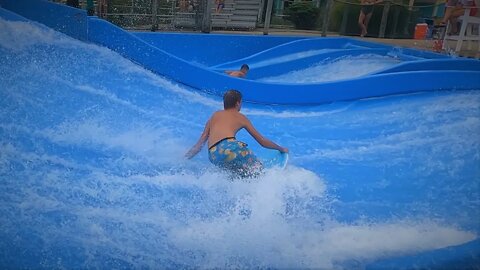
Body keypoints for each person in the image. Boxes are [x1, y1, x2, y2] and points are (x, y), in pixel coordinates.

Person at [185, 90, 288, 178]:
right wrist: (281, 148)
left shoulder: (214, 115)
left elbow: (200, 144)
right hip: (231, 149)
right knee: (258, 171)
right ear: (238, 103)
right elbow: (262, 141)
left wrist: (184, 159)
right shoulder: (240, 117)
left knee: (237, 175)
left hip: (213, 155)